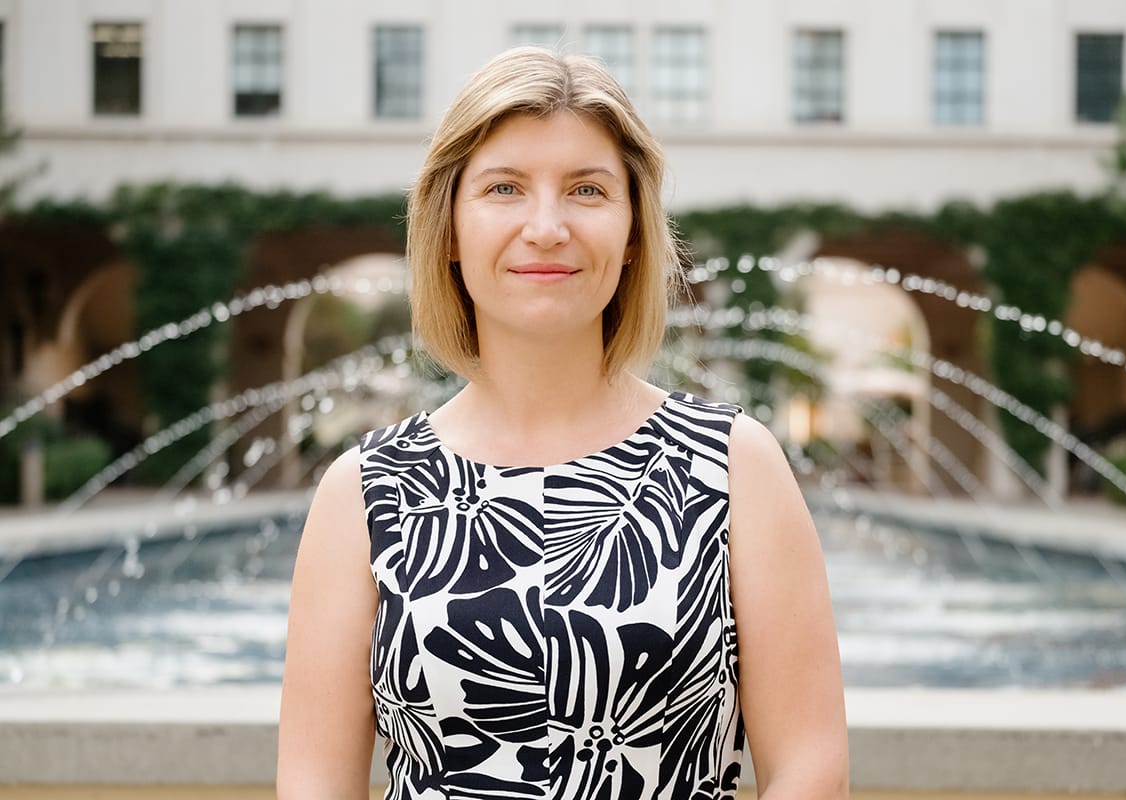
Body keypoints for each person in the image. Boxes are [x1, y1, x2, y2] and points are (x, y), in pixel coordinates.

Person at [277, 46, 848, 799]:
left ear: (634, 230)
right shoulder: (364, 491)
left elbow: (811, 767)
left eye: (586, 190)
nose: (546, 227)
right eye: (504, 188)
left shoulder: (736, 464)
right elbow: (315, 785)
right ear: (449, 228)